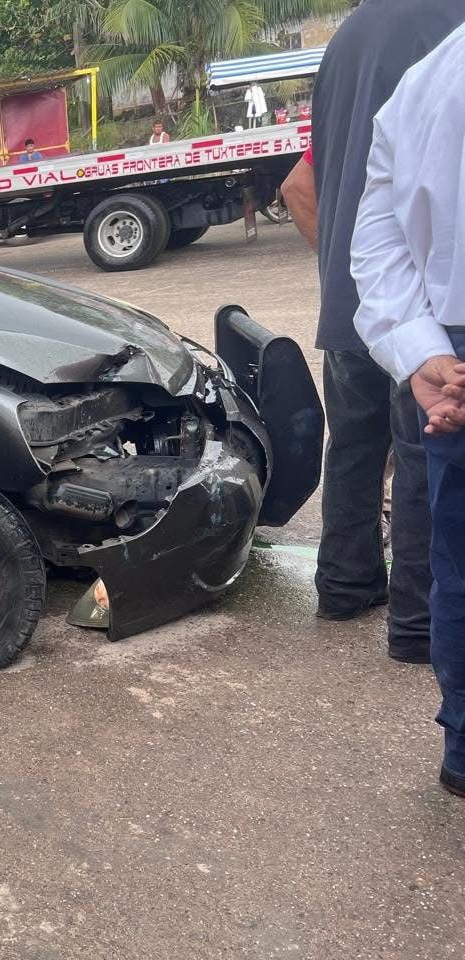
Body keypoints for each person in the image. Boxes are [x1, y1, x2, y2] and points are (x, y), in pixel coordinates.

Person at [277, 0, 465, 665]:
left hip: (357, 298)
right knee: (421, 461)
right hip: (420, 307)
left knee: (354, 449)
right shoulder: (448, 27)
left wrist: (343, 272)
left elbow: (298, 185)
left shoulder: (347, 37)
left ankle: (344, 587)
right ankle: (416, 625)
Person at [351, 19, 465, 798]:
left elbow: (379, 240)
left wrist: (423, 350)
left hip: (448, 352)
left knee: (457, 564)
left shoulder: (422, 82)